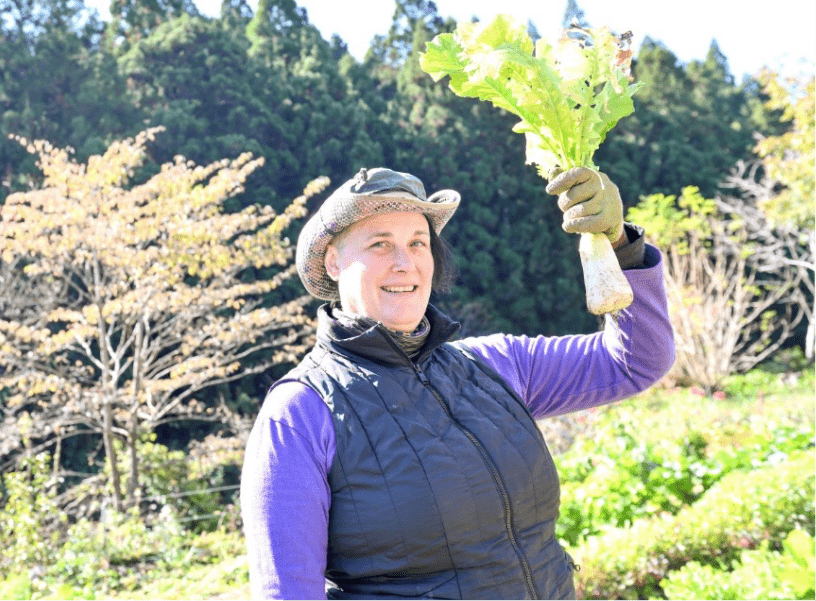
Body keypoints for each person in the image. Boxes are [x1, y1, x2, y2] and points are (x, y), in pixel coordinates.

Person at [240, 166, 675, 600]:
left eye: (417, 243)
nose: (404, 262)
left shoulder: (495, 365)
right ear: (334, 262)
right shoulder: (301, 412)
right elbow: (288, 593)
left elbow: (635, 360)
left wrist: (618, 243)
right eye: (379, 244)